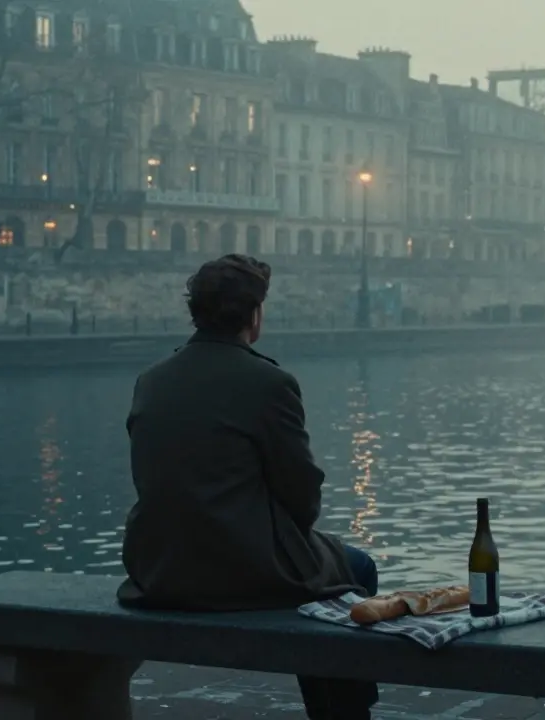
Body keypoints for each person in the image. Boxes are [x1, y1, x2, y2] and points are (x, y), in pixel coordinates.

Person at [118, 254, 379, 720]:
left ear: (196, 312)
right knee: (357, 568)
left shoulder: (151, 380)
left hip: (158, 568)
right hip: (240, 569)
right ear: (255, 315)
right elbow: (302, 494)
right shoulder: (268, 382)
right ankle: (343, 713)